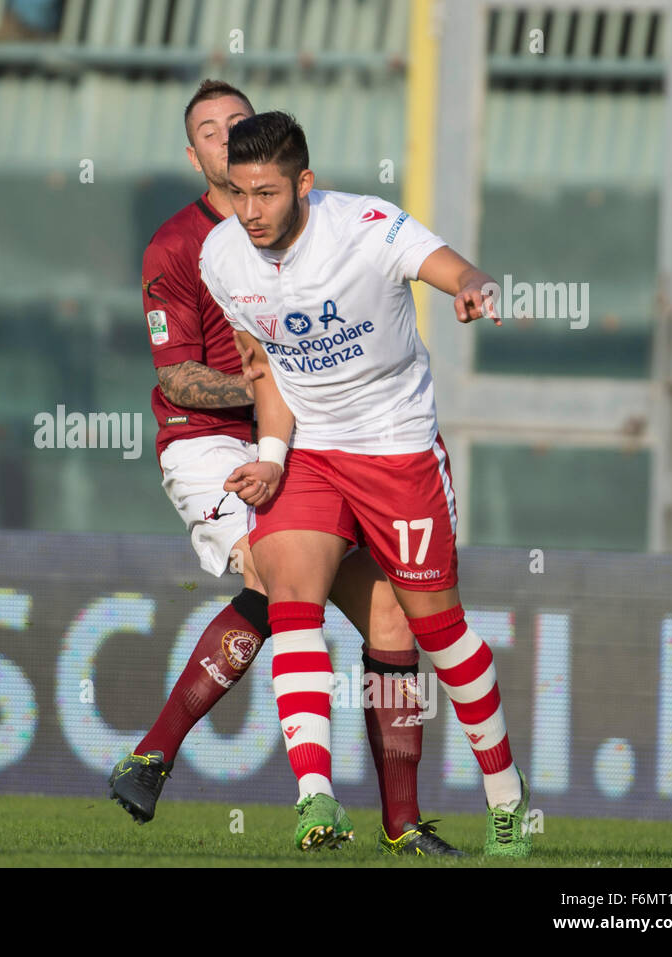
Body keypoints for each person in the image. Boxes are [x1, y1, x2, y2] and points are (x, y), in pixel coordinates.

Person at [108, 81, 463, 857]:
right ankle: (159, 753)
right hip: (208, 444)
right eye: (208, 130)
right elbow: (176, 377)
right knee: (276, 575)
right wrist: (281, 385)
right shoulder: (180, 247)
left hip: (307, 442)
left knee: (393, 615)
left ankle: (401, 824)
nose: (224, 136)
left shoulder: (314, 227)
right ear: (195, 154)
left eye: (237, 124)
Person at [205, 110, 532, 857]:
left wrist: (473, 283)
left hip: (397, 450)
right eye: (236, 192)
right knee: (292, 594)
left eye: (266, 193)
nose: (249, 211)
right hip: (312, 452)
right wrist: (274, 454)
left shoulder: (367, 226)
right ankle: (315, 795)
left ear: (305, 185)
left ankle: (506, 795)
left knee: (439, 635)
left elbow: (441, 262)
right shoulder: (222, 257)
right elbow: (270, 373)